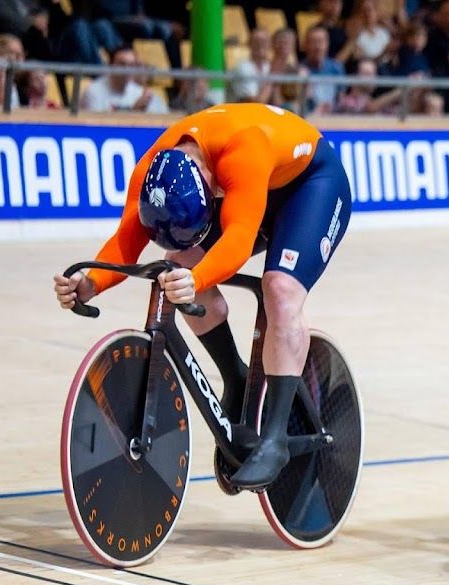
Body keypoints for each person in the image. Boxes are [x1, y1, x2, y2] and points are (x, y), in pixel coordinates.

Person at [52, 103, 354, 490]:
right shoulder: (151, 170)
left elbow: (239, 240)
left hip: (310, 186)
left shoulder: (244, 150)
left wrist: (198, 279)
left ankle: (275, 439)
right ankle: (236, 376)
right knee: (178, 260)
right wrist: (90, 283)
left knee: (279, 288)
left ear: (211, 186)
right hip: (248, 186)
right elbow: (127, 241)